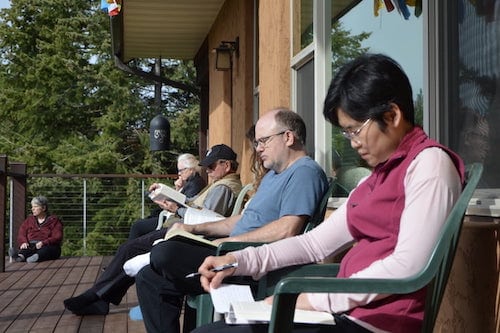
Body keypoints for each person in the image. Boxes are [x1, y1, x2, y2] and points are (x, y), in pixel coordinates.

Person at [193, 54, 465, 333]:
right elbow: (314, 244)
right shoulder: (378, 176)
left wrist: (312, 300)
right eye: (347, 134)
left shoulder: (430, 166)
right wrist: (240, 261)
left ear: (392, 116)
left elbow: (408, 266)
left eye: (354, 130)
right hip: (341, 313)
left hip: (374, 324)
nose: (353, 143)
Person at [135, 108, 329, 333]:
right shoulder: (274, 175)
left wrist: (229, 245)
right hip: (231, 250)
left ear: (288, 137)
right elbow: (241, 220)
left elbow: (286, 230)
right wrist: (193, 227)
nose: (258, 149)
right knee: (148, 278)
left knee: (164, 253)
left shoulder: (305, 172)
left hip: (250, 265)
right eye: (257, 142)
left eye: (263, 141)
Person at [63, 144, 242, 316]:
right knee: (131, 248)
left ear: (226, 165)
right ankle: (99, 297)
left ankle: (97, 296)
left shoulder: (224, 188)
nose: (207, 170)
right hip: (184, 229)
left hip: (189, 235)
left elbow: (209, 218)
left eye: (211, 165)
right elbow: (198, 206)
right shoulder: (219, 184)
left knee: (130, 249)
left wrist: (176, 209)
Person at [128, 153, 206, 240]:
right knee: (142, 223)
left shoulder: (195, 184)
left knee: (137, 227)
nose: (179, 173)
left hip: (174, 219)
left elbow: (184, 203)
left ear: (191, 169)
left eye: (181, 170)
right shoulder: (190, 182)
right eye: (178, 170)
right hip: (170, 216)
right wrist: (177, 188)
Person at [10, 196, 63, 263]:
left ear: (43, 208)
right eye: (32, 207)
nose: (33, 209)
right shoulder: (29, 220)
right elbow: (22, 233)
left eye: (35, 207)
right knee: (26, 249)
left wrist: (43, 243)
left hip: (49, 245)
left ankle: (36, 257)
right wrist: (23, 242)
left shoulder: (54, 220)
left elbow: (57, 236)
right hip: (32, 244)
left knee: (46, 250)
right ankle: (20, 257)